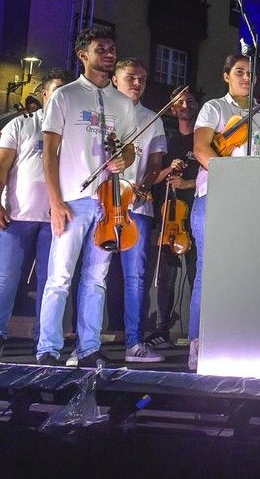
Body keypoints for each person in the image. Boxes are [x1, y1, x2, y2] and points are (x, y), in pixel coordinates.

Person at [36, 27, 137, 367]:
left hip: (109, 201)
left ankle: (89, 347)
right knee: (60, 276)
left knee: (96, 278)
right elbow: (48, 153)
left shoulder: (123, 102)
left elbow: (130, 149)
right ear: (83, 55)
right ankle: (48, 348)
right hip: (72, 198)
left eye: (111, 48)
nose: (109, 54)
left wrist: (126, 159)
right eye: (101, 49)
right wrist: (55, 200)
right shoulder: (64, 96)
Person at [190, 54, 260, 370]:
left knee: (247, 275)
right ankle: (198, 344)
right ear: (226, 76)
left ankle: (241, 342)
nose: (246, 77)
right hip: (216, 196)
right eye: (239, 72)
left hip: (253, 204)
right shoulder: (215, 108)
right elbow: (202, 149)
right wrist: (234, 174)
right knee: (210, 272)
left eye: (250, 73)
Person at [0, 69, 70, 359]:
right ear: (44, 94)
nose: (61, 97)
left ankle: (42, 339)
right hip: (16, 215)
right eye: (55, 90)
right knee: (5, 277)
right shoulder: (21, 123)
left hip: (55, 218)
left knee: (50, 280)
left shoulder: (73, 129)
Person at [109, 59, 184, 363]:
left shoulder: (152, 118)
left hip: (138, 206)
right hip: (103, 201)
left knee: (137, 276)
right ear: (115, 80)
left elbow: (155, 162)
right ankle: (85, 343)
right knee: (94, 273)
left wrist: (144, 187)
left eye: (142, 78)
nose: (137, 83)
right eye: (131, 77)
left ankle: (134, 342)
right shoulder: (103, 112)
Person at [145, 87, 199, 349]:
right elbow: (152, 178)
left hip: (196, 215)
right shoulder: (166, 140)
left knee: (195, 275)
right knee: (165, 277)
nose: (185, 105)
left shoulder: (203, 140)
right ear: (173, 108)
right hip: (170, 218)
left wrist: (188, 182)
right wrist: (170, 169)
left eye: (190, 100)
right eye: (179, 102)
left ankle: (198, 331)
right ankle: (162, 329)